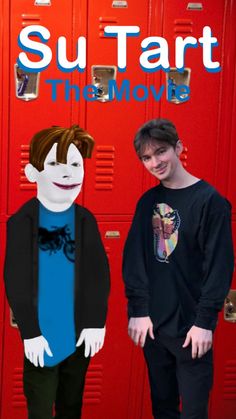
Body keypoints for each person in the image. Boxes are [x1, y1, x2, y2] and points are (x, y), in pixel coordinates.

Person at [122, 118, 234, 419]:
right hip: (153, 328)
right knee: (163, 407)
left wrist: (205, 323)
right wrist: (139, 310)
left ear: (179, 147)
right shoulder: (147, 202)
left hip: (190, 329)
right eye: (146, 157)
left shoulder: (210, 202)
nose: (155, 162)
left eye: (160, 152)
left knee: (194, 412)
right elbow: (134, 260)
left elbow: (219, 268)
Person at [4, 125, 110, 419]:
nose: (68, 174)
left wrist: (95, 322)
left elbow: (98, 275)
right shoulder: (22, 221)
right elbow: (16, 279)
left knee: (71, 404)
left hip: (78, 335)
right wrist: (30, 333)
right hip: (43, 335)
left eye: (75, 165)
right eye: (54, 164)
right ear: (31, 172)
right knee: (39, 407)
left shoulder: (86, 220)